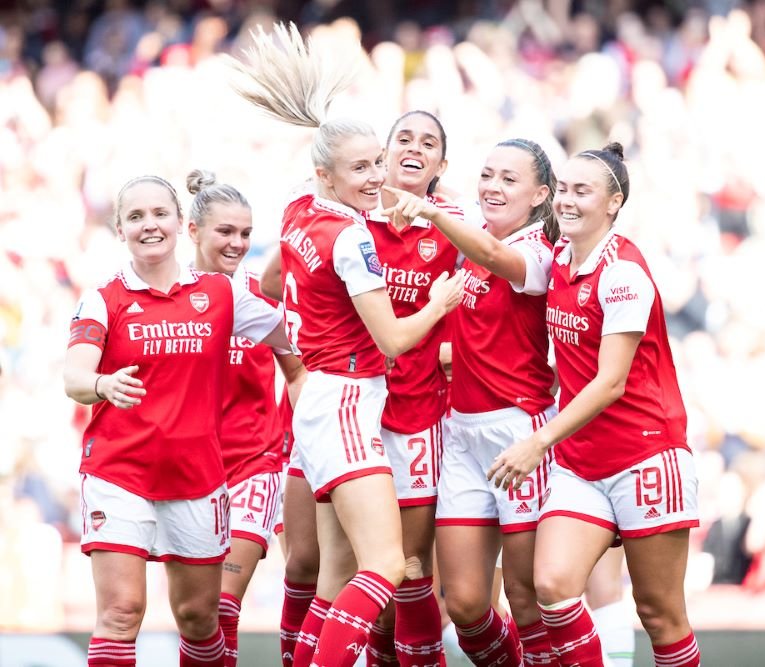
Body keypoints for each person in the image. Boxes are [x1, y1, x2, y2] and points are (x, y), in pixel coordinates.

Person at [226, 23, 465, 667]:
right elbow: (392, 339)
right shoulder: (355, 237)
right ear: (326, 172)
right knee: (389, 564)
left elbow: (273, 281)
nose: (373, 176)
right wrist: (440, 305)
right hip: (350, 400)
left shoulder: (300, 208)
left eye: (375, 165)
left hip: (315, 400)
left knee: (331, 575)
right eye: (360, 167)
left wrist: (285, 340)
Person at [487, 143, 701, 667]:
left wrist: (537, 442)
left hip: (645, 457)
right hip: (582, 463)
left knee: (659, 613)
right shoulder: (557, 258)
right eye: (562, 189)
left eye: (582, 191)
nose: (567, 201)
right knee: (553, 586)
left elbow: (611, 384)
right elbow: (493, 257)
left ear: (613, 203)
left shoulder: (624, 271)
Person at [63, 174, 289, 667]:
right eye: (136, 217)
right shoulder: (103, 299)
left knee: (199, 618)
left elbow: (299, 338)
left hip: (197, 481)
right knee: (122, 614)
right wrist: (103, 385)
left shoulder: (222, 294)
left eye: (159, 214)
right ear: (120, 229)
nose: (150, 226)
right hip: (118, 475)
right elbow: (75, 376)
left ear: (180, 224)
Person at [380, 135, 560, 667]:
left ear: (540, 195)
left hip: (518, 434)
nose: (493, 187)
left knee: (528, 601)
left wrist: (432, 210)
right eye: (488, 175)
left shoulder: (536, 253)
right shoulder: (471, 234)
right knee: (463, 603)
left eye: (509, 179)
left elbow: (489, 255)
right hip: (461, 433)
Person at [185, 169, 308, 666]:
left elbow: (299, 372)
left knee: (221, 601)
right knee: (195, 614)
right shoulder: (166, 302)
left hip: (255, 468)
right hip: (191, 474)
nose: (237, 243)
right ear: (192, 232)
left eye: (245, 234)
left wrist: (313, 447)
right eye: (225, 232)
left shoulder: (261, 297)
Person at [363, 110, 463, 667]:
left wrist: (444, 349)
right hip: (353, 412)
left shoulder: (454, 230)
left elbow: (473, 328)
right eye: (403, 137)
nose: (414, 148)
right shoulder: (350, 223)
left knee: (409, 567)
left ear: (440, 166)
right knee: (340, 570)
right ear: (383, 153)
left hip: (419, 415)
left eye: (428, 143)